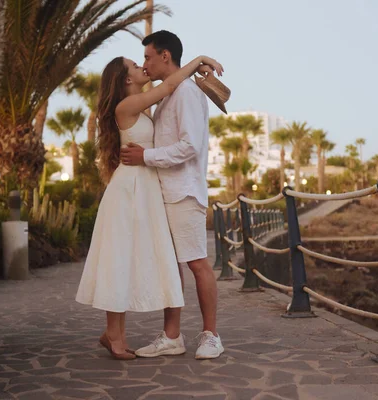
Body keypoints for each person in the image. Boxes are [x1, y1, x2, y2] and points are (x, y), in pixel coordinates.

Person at [75, 51, 223, 360]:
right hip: (129, 189)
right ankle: (115, 336)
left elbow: (174, 90)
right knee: (118, 260)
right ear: (126, 78)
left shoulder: (143, 107)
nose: (142, 65)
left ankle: (116, 333)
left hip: (143, 189)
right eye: (134, 64)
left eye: (144, 59)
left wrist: (199, 75)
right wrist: (198, 60)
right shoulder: (128, 105)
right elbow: (169, 85)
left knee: (127, 259)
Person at [120, 30, 224, 360]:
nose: (145, 63)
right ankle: (172, 336)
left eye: (149, 57)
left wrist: (145, 158)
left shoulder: (188, 94)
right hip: (162, 194)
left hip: (184, 193)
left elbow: (190, 147)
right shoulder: (166, 95)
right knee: (170, 266)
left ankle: (211, 335)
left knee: (197, 263)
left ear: (166, 56)